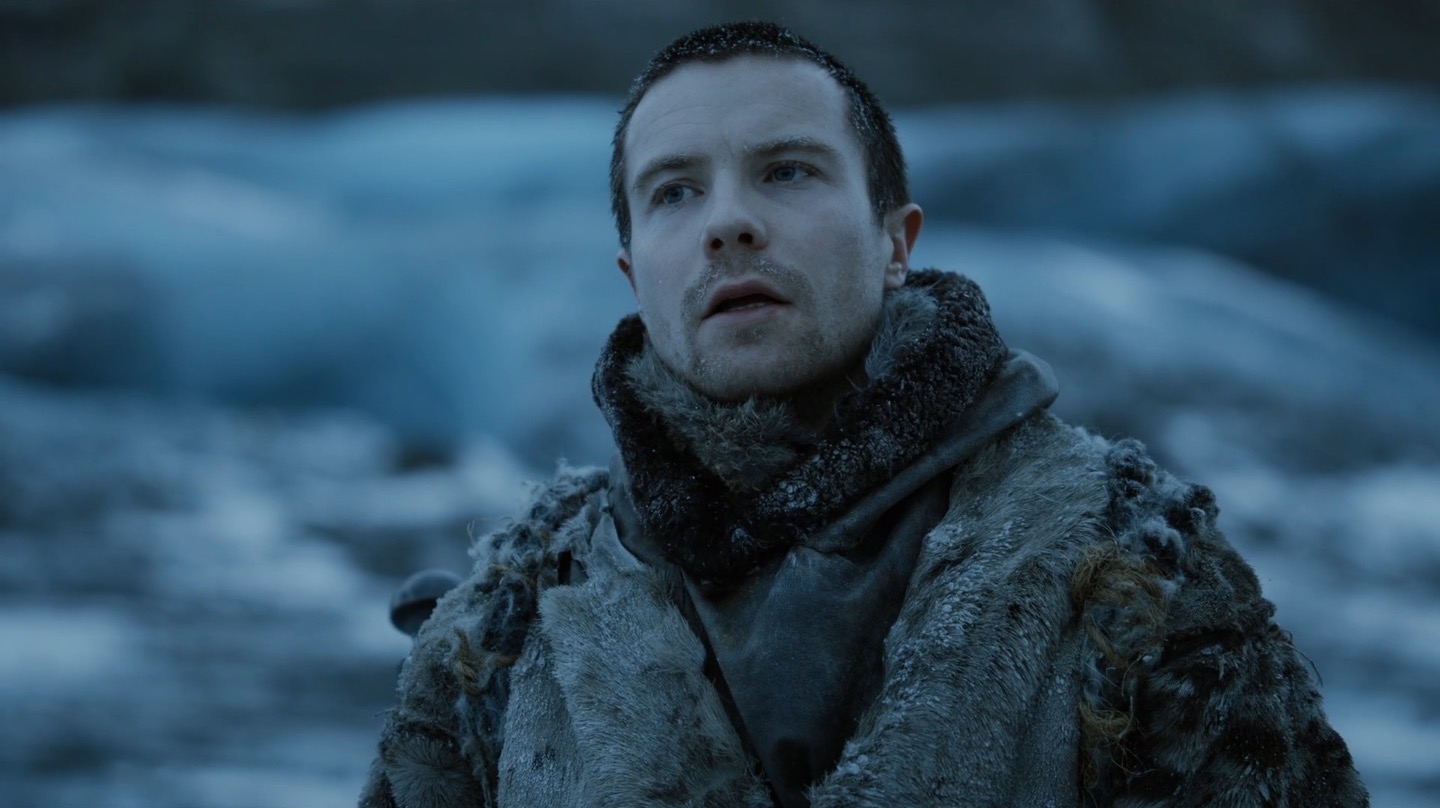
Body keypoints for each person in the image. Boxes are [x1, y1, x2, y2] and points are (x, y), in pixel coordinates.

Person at [360, 20, 1367, 808]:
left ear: (896, 242)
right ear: (634, 277)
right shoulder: (507, 622)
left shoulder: (1132, 568)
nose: (728, 223)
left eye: (786, 171)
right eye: (674, 193)